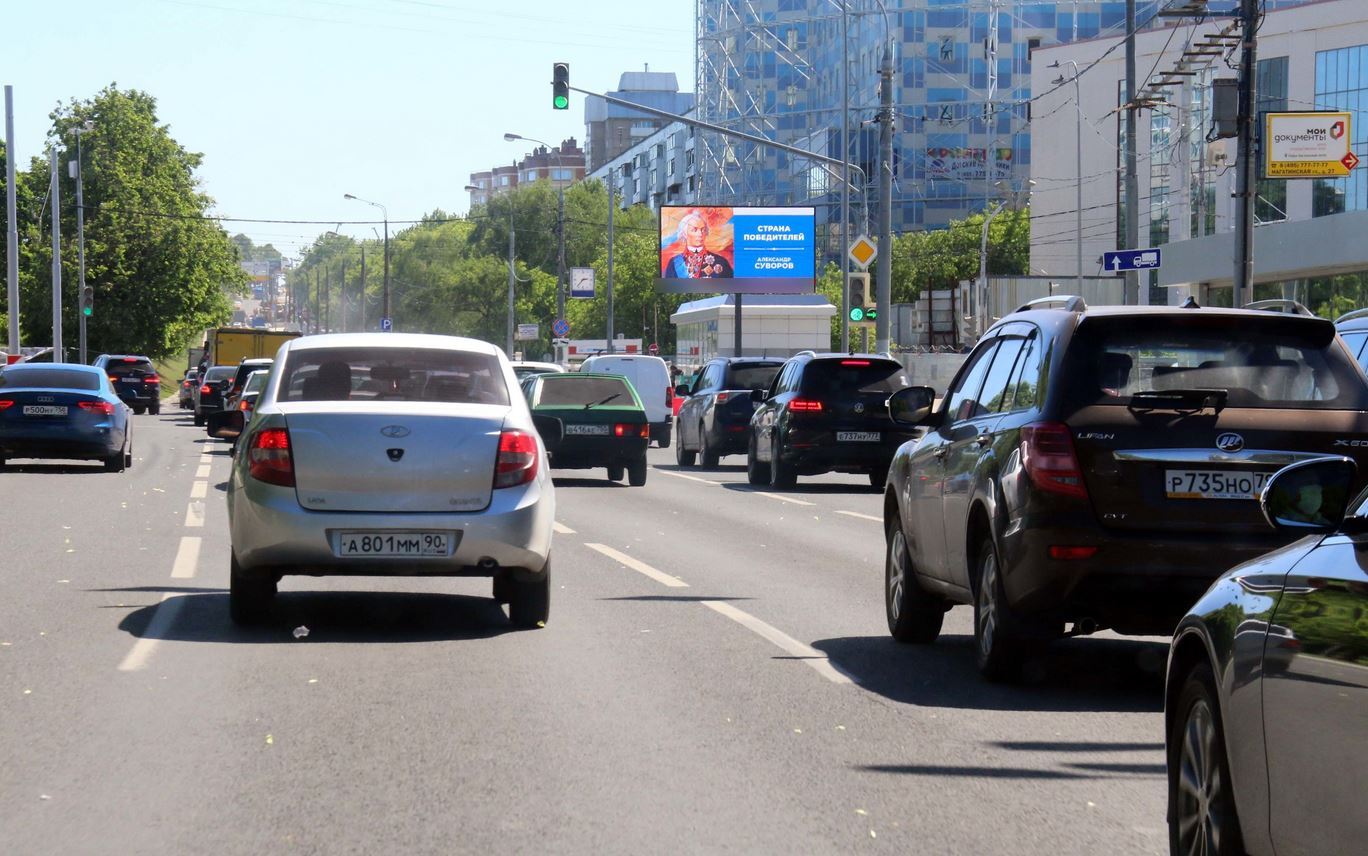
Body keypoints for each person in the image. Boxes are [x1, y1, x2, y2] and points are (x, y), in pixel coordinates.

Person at [662, 211, 733, 279]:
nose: (700, 234)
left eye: (703, 230)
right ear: (684, 234)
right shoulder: (674, 263)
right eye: (694, 230)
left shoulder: (720, 262)